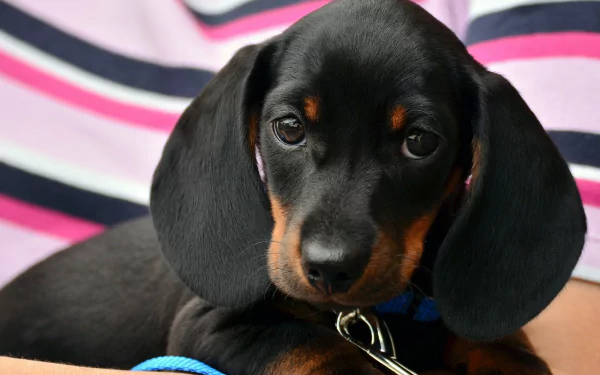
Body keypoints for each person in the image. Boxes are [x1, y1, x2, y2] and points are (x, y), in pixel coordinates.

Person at [0, 0, 598, 373]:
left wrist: (498, 350)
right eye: (291, 129)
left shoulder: (460, 289)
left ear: (472, 158)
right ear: (251, 129)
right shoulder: (240, 281)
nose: (331, 248)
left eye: (417, 142)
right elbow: (210, 333)